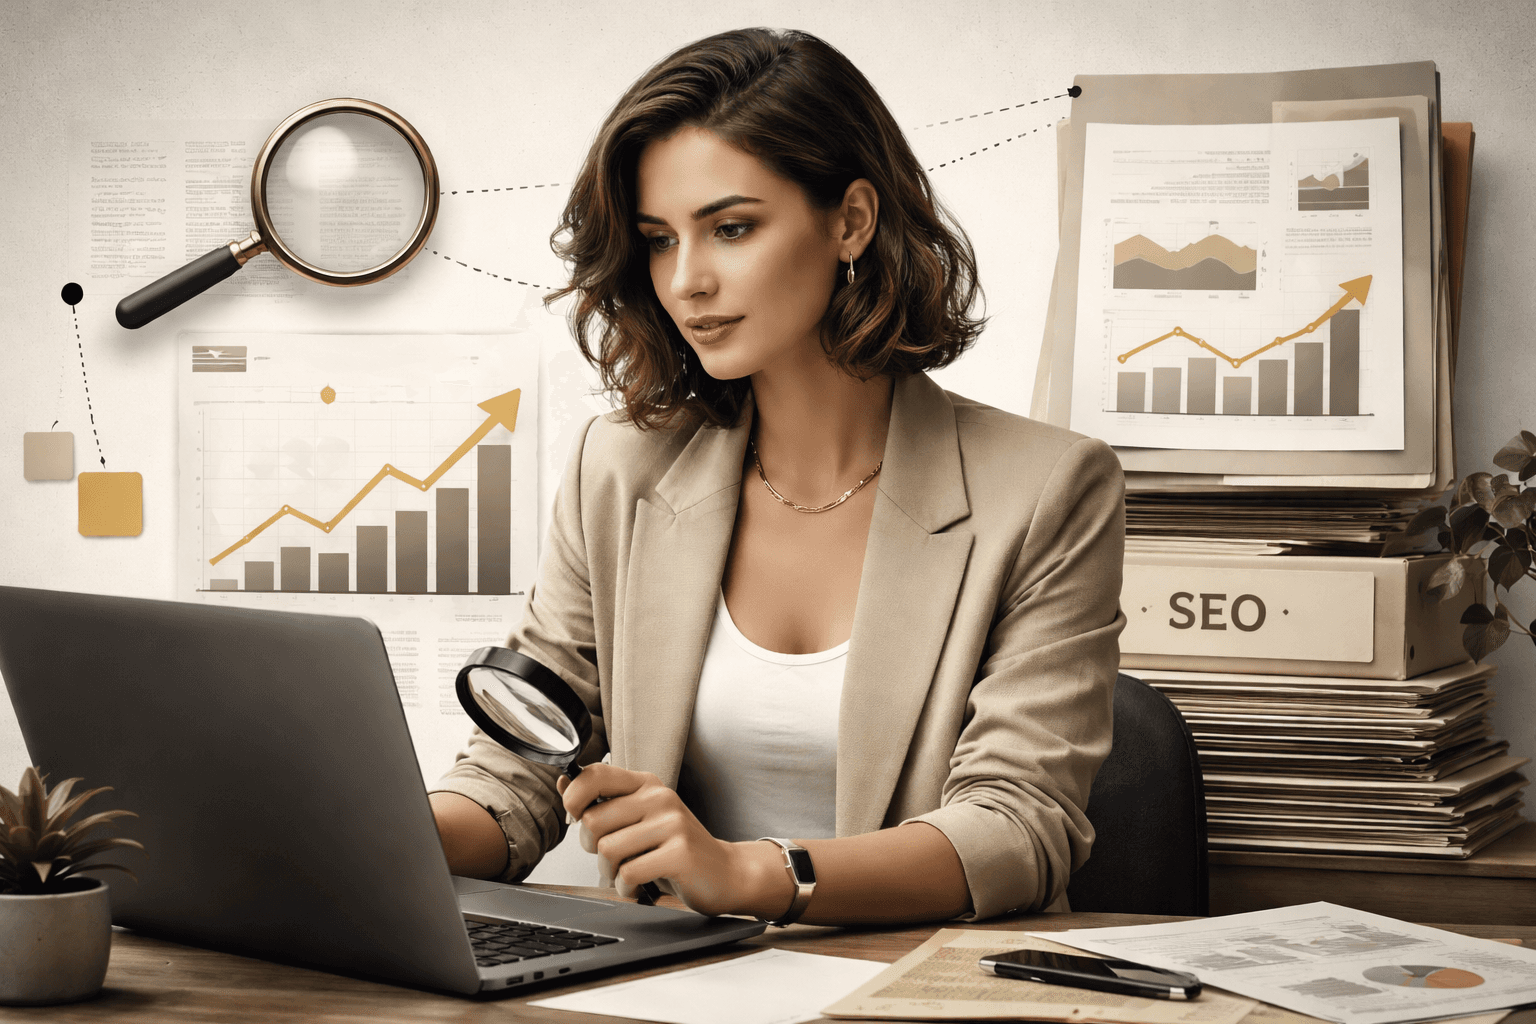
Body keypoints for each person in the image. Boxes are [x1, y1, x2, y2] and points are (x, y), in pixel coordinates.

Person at [428, 27, 1124, 926]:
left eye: (731, 228)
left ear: (851, 222)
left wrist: (754, 875)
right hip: (677, 987)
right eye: (658, 240)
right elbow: (518, 765)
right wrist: (373, 837)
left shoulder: (1047, 488)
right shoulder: (622, 468)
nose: (687, 281)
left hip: (915, 988)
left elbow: (1019, 828)